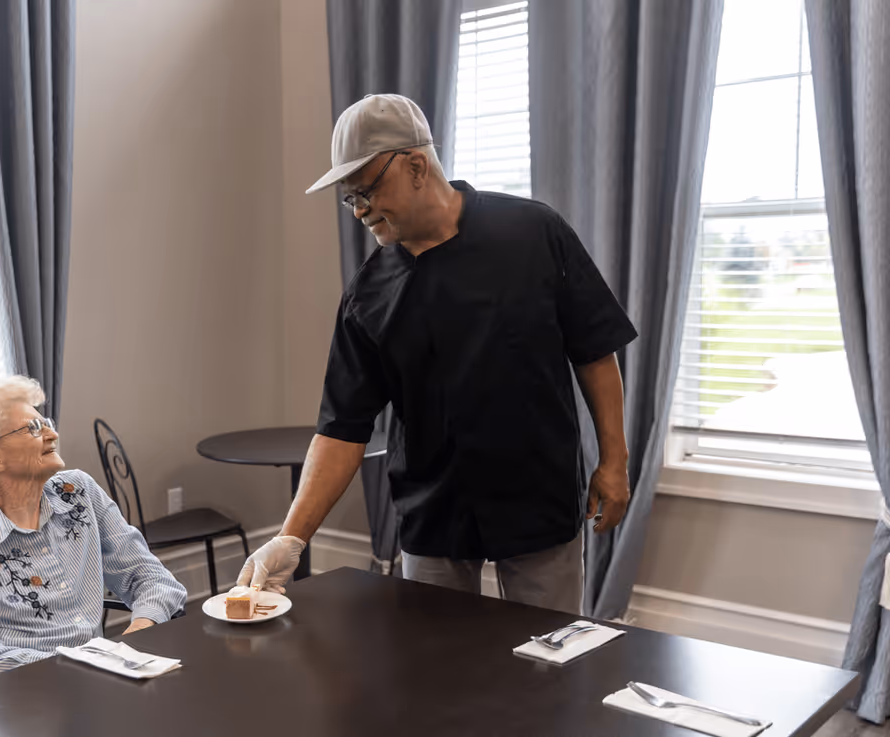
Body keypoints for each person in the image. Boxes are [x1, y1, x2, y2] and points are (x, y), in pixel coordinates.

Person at [236, 94, 636, 614]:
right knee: (436, 677)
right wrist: (289, 539)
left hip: (538, 500)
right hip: (434, 515)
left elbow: (594, 350)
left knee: (553, 669)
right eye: (348, 198)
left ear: (417, 166)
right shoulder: (368, 295)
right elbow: (341, 430)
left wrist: (615, 460)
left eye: (366, 191)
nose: (359, 210)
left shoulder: (534, 232)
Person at [0, 376, 187, 679]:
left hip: (93, 680)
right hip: (9, 693)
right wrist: (80, 666)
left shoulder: (78, 492)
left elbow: (152, 579)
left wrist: (137, 632)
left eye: (45, 422)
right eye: (33, 428)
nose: (52, 434)